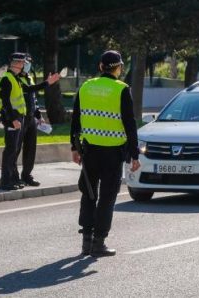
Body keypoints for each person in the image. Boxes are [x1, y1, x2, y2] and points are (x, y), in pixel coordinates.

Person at [70, 50, 140, 257]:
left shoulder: (86, 87)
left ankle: (86, 242)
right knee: (107, 197)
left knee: (89, 194)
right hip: (113, 153)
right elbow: (130, 124)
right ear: (119, 68)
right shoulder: (121, 90)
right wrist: (135, 154)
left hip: (89, 151)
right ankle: (99, 243)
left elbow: (76, 120)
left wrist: (74, 147)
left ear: (101, 67)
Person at [16, 55, 61, 187]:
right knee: (16, 149)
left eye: (29, 62)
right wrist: (47, 83)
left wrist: (38, 115)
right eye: (25, 62)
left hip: (30, 118)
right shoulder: (15, 78)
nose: (27, 65)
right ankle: (12, 176)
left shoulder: (29, 77)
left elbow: (33, 98)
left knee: (30, 149)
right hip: (19, 117)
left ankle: (27, 175)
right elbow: (28, 89)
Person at [0, 53, 29, 191]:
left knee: (13, 150)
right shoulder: (6, 79)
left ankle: (11, 179)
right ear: (15, 63)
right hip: (11, 119)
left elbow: (28, 90)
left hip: (17, 118)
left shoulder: (16, 78)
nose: (24, 65)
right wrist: (13, 120)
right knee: (10, 150)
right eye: (22, 63)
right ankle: (5, 181)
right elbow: (6, 103)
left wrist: (47, 83)